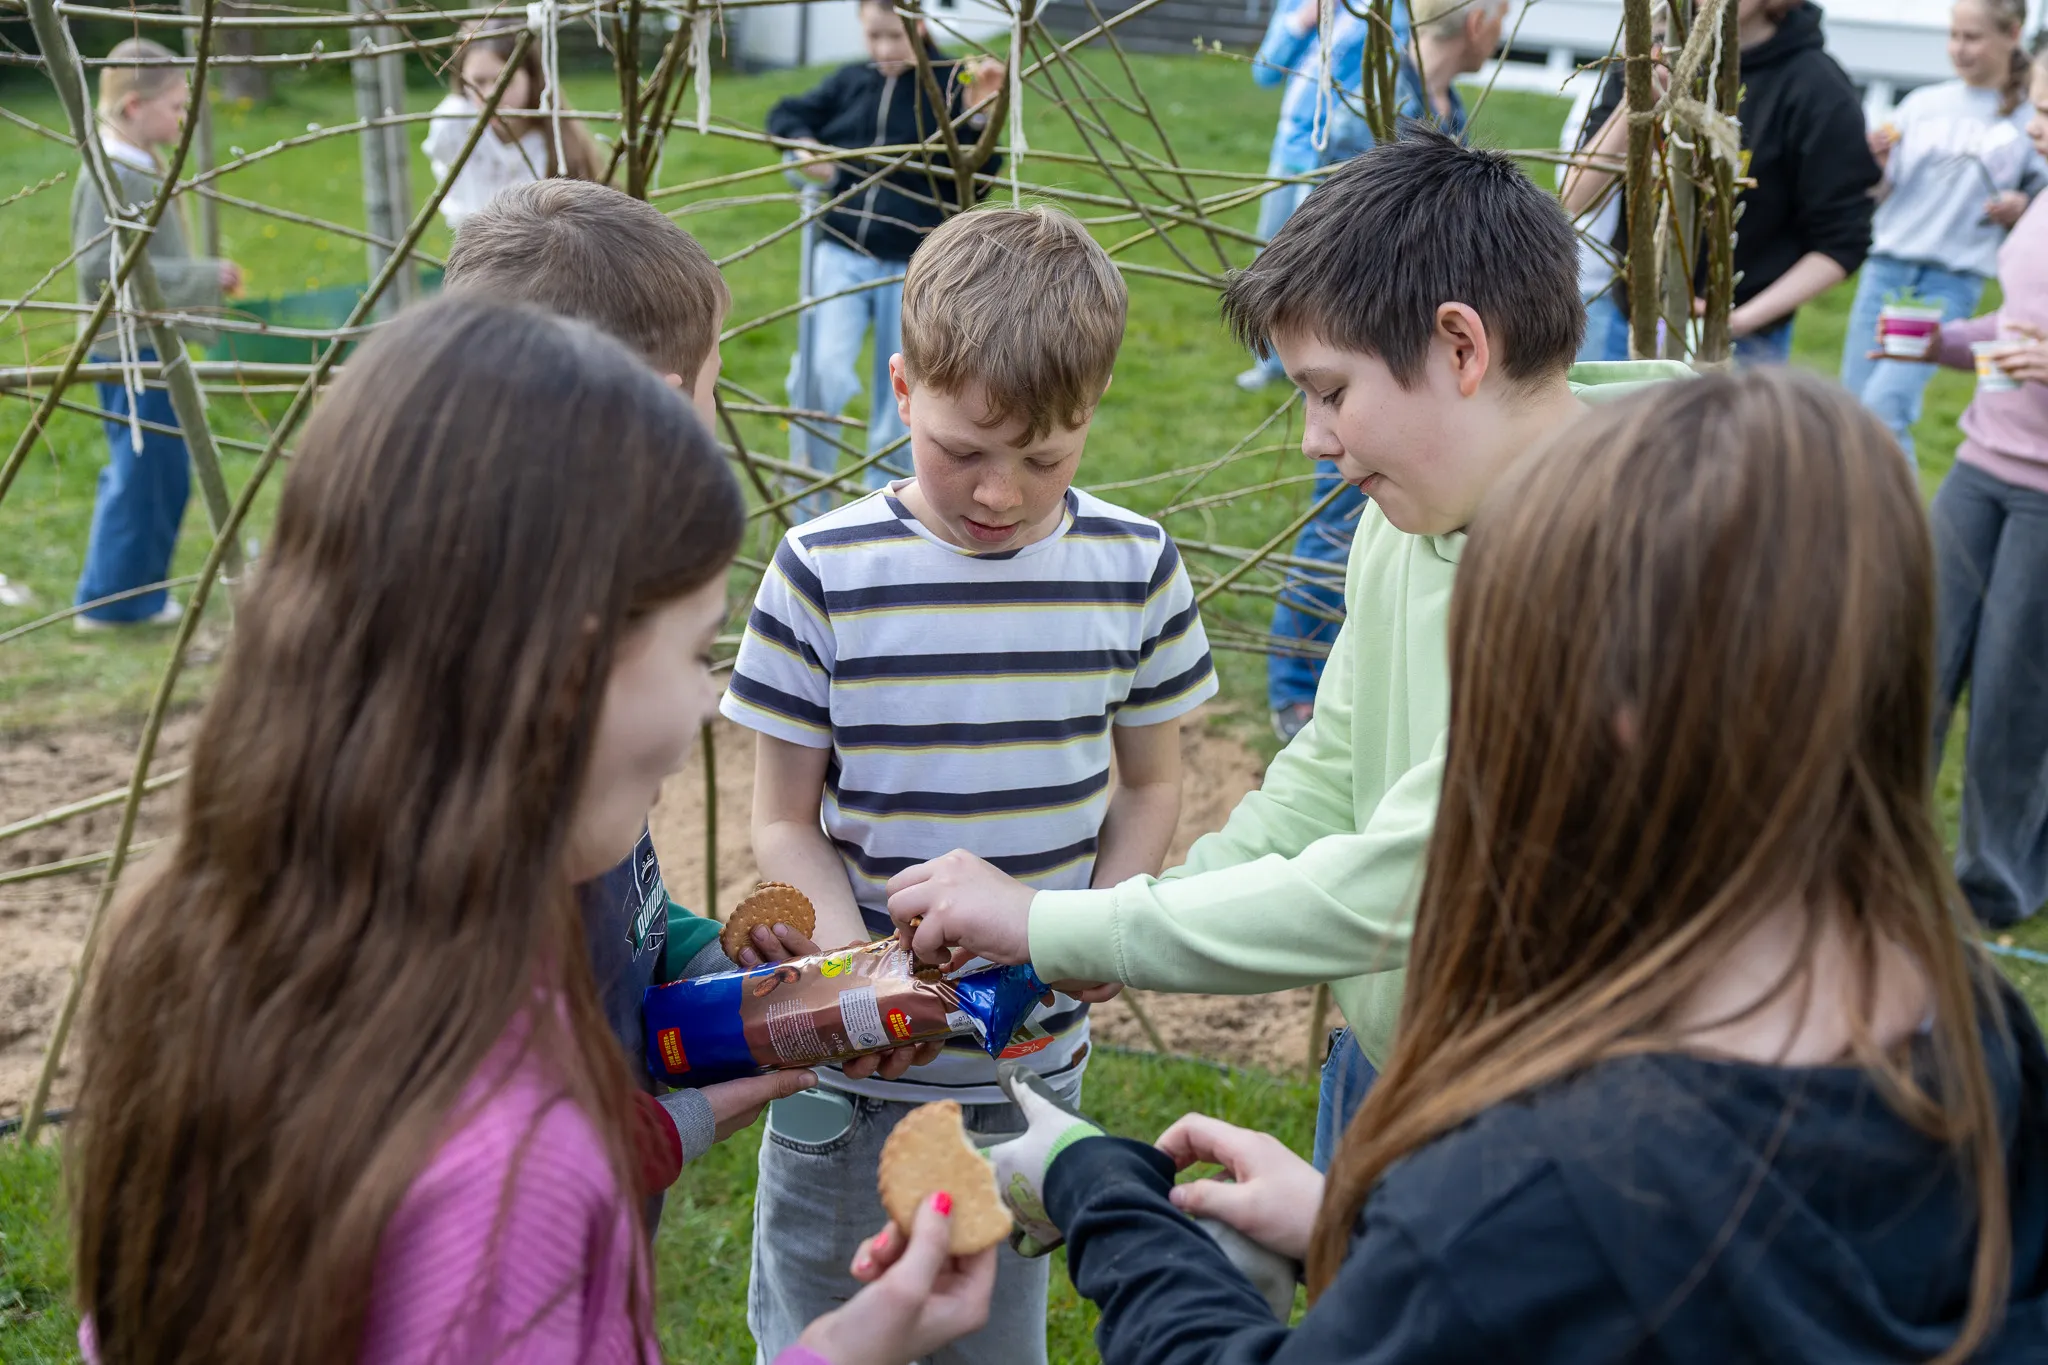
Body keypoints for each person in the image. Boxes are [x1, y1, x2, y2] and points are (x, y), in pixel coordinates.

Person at [982, 369, 2048, 1365]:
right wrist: (1355, 1228)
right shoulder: (1966, 1028)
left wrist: (1100, 1190)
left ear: (1609, 712)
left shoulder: (1532, 1186)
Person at [65, 296, 995, 1365]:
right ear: (569, 682)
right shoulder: (517, 1172)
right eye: (694, 649)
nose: (706, 703)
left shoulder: (207, 948)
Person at [886, 132, 1690, 1170]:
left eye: (1331, 391)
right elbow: (1329, 775)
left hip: (1539, 1117)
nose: (1313, 437)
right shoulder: (1407, 518)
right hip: (1387, 1060)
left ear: (1459, 348)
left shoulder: (1622, 572)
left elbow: (1412, 878)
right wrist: (1109, 923)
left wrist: (1057, 926)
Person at [720, 204, 1218, 1365]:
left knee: (992, 1338)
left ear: (1092, 409)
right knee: (824, 1332)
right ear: (901, 389)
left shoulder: (1134, 567)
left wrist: (1096, 920)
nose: (999, 494)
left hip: (1026, 1071)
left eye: (1044, 459)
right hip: (850, 1083)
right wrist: (861, 986)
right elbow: (780, 818)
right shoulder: (821, 573)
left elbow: (1149, 788)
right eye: (963, 451)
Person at [443, 180, 914, 1214]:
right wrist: (724, 1102)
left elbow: (617, 925)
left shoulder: (571, 651)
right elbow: (516, 1161)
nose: (707, 703)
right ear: (658, 406)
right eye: (713, 385)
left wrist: (721, 968)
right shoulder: (525, 758)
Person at [1259, 0, 1500, 742]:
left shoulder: (1444, 105)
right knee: (1336, 523)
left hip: (1410, 374)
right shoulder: (1379, 91)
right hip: (1376, 350)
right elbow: (1335, 239)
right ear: (1477, 20)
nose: (1311, 437)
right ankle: (1297, 684)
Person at [1876, 41, 2048, 930]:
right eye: (2039, 107)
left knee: (2013, 696)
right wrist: (1938, 343)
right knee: (1919, 658)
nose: (2037, 128)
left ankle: (1995, 886)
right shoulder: (2042, 202)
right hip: (1982, 461)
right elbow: (2014, 327)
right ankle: (1880, 855)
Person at [768, 0, 1004, 507]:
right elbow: (786, 111)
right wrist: (806, 147)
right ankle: (806, 493)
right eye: (873, 36)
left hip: (914, 267)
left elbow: (978, 180)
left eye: (895, 37)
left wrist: (981, 117)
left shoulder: (950, 85)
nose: (884, 49)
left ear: (919, 25)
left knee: (903, 393)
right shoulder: (853, 81)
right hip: (843, 251)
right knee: (820, 372)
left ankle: (889, 509)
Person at [1561, 0, 1880, 366]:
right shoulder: (1652, 59)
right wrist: (1636, 100)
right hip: (1629, 325)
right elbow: (1576, 200)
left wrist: (1735, 321)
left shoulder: (1816, 87)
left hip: (1743, 345)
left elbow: (1842, 242)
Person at [71, 37, 241, 631]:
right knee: (143, 473)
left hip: (152, 343)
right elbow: (98, 268)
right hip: (130, 351)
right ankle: (113, 601)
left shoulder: (139, 164)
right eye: (175, 105)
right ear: (133, 107)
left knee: (161, 471)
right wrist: (200, 276)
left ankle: (131, 594)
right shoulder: (111, 176)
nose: (183, 116)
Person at [1839, 0, 2044, 462]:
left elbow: (2039, 208)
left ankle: (1898, 512)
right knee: (1854, 411)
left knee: (1885, 408)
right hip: (1886, 270)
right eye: (1954, 35)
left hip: (1950, 280)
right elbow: (1879, 192)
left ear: (2012, 34)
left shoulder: (2029, 117)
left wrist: (2020, 206)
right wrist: (1877, 166)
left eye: (1973, 37)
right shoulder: (1922, 105)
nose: (1959, 48)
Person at [422, 22, 606, 233]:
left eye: (504, 80)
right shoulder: (453, 124)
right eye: (478, 82)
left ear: (531, 77)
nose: (490, 94)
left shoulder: (555, 140)